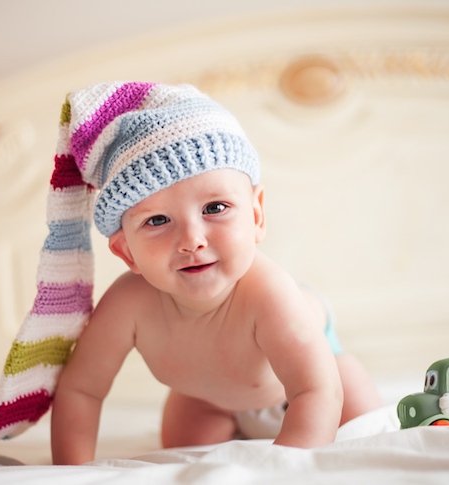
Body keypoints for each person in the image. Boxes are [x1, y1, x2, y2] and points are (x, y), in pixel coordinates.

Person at [46, 81, 382, 466]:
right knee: (182, 455)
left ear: (256, 216)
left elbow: (317, 390)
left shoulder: (268, 292)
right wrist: (73, 474)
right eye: (158, 220)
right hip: (208, 401)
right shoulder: (127, 305)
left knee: (366, 435)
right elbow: (81, 390)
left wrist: (282, 470)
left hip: (308, 389)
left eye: (215, 208)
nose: (192, 240)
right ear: (127, 253)